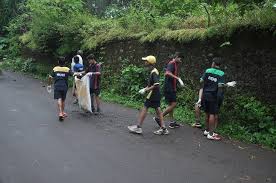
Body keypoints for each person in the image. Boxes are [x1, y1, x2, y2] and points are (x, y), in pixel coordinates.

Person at [128, 55, 169, 135]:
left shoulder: (154, 72)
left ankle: (138, 127)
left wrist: (146, 90)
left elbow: (156, 84)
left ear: (149, 63)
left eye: (146, 61)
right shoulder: (153, 71)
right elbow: (151, 84)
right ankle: (163, 128)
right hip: (155, 94)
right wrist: (144, 89)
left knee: (145, 108)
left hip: (153, 94)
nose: (144, 62)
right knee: (158, 110)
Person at [153, 52, 184, 129]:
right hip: (169, 88)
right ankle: (159, 118)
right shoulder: (172, 63)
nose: (181, 60)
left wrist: (177, 80)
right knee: (173, 104)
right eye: (180, 58)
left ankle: (172, 122)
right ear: (176, 57)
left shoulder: (175, 64)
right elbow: (167, 73)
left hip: (171, 87)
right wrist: (177, 78)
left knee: (171, 105)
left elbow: (171, 74)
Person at [47, 57, 72, 121]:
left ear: (58, 62)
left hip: (57, 86)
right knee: (63, 100)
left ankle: (60, 113)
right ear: (65, 63)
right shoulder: (67, 69)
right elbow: (73, 74)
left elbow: (50, 77)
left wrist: (49, 85)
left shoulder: (55, 69)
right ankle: (62, 112)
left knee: (59, 99)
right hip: (64, 86)